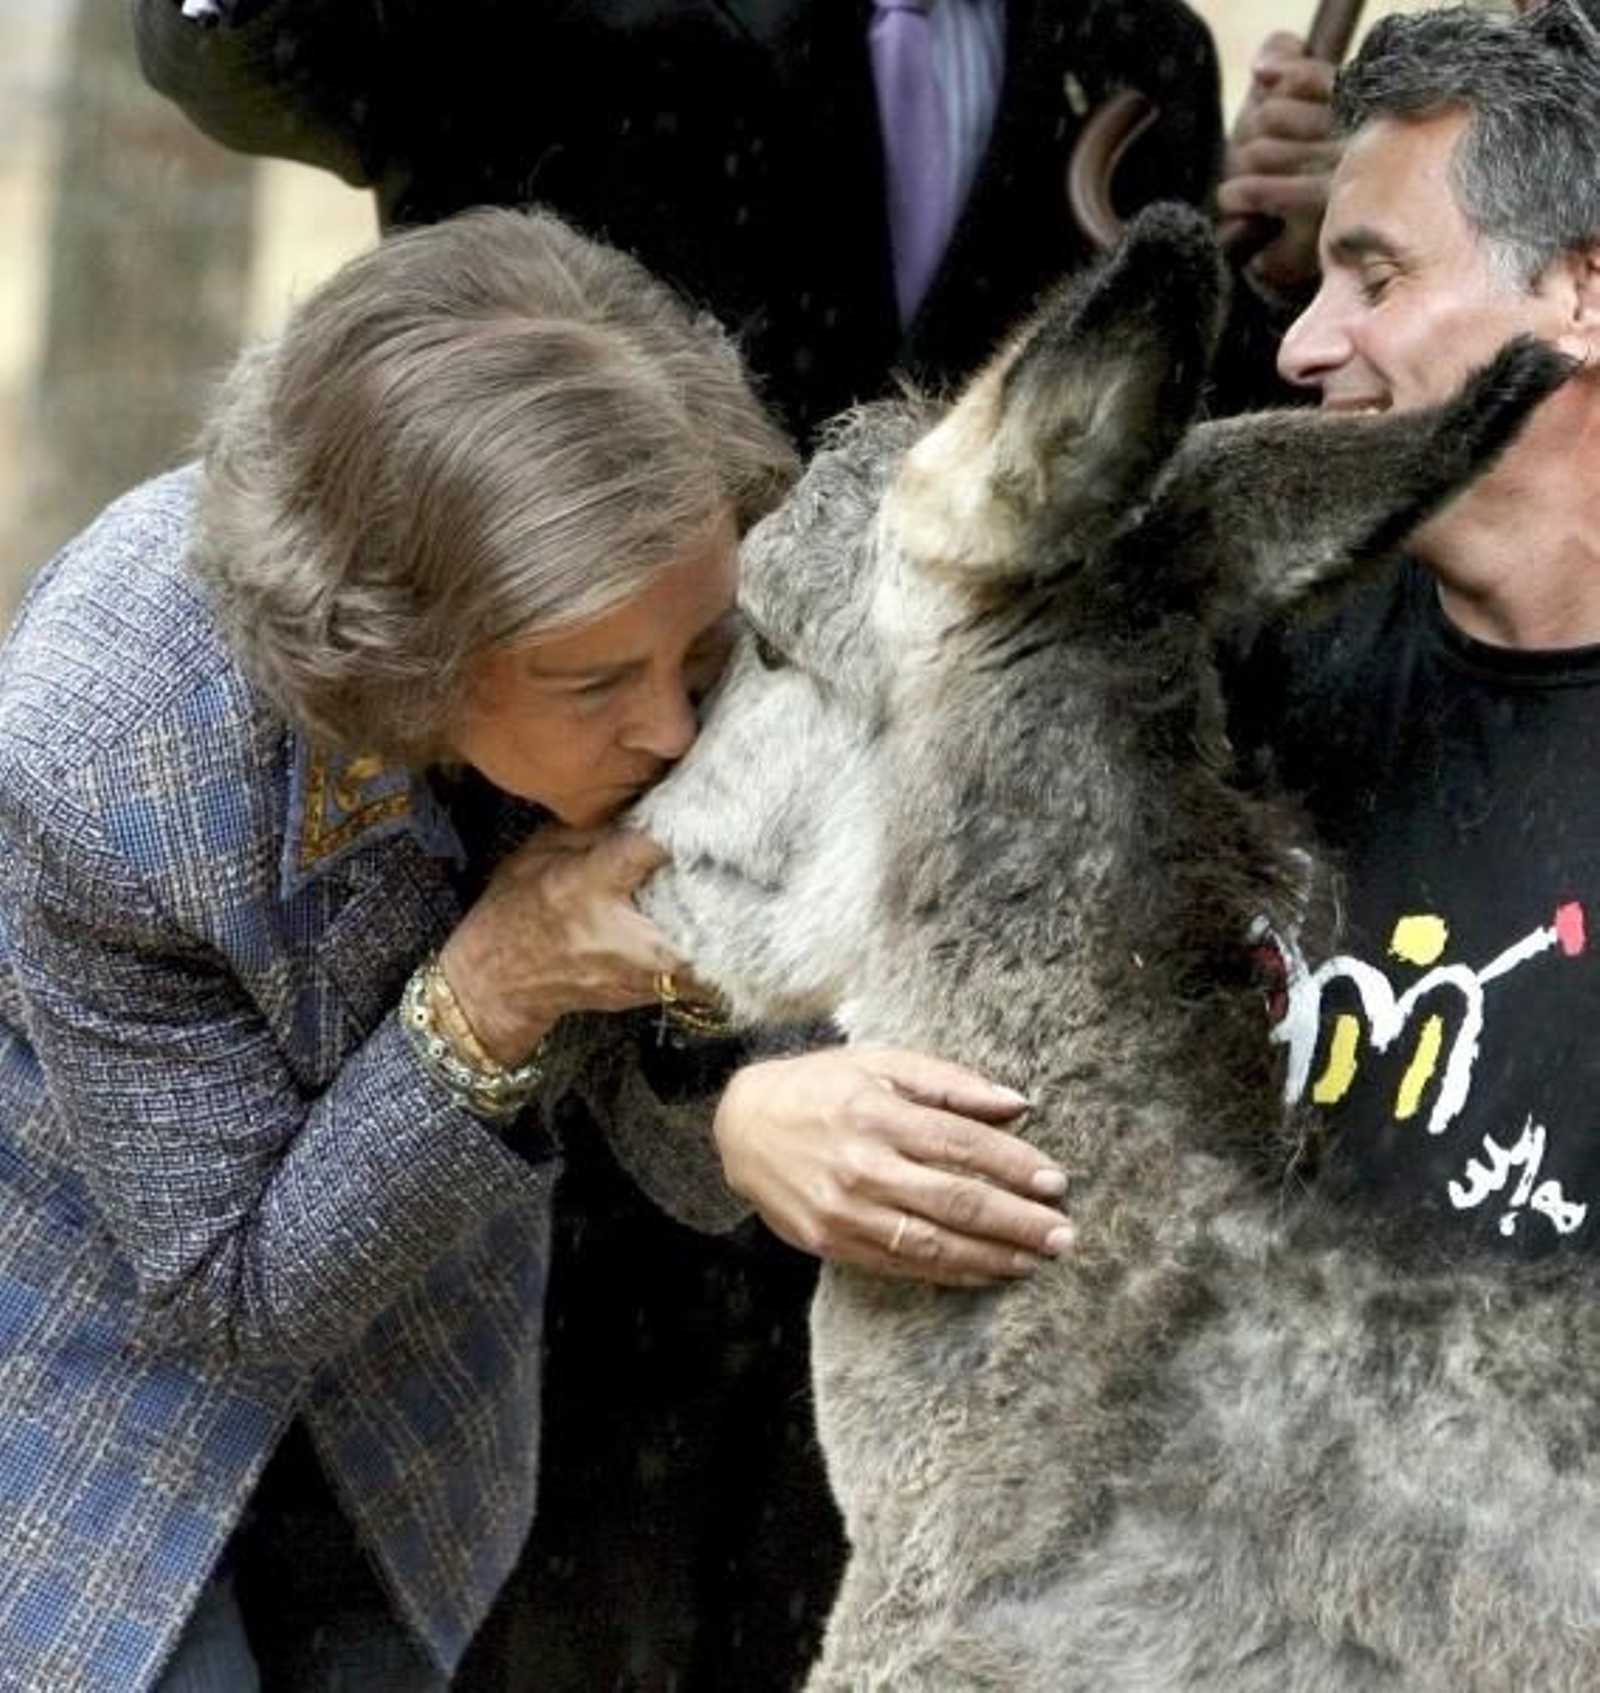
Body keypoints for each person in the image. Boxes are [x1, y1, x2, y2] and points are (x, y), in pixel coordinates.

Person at [0, 205, 1075, 1692]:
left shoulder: (655, 609)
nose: (675, 734)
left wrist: (746, 1104)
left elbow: (679, 1025)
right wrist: (499, 984)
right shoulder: (99, 746)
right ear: (403, 657)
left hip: (425, 1411)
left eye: (703, 657)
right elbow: (237, 1293)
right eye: (592, 685)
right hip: (87, 1392)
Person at [129, 0, 1338, 440]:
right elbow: (250, 57)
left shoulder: (1136, 43)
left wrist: (1279, 274)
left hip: (952, 789)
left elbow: (1160, 426)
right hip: (585, 751)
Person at [1230, 0, 1600, 1260]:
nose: (1299, 342)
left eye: (1375, 279)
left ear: (1579, 292)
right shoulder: (1243, 662)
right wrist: (770, 1104)